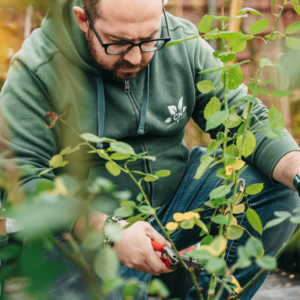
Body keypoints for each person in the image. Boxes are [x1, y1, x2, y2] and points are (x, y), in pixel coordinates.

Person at [0, 0, 300, 299]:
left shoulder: (182, 40)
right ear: (83, 20)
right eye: (118, 43)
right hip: (83, 230)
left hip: (177, 200)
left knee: (279, 190)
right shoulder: (38, 69)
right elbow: (24, 182)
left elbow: (243, 119)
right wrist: (111, 232)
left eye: (149, 40)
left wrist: (297, 170)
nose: (135, 57)